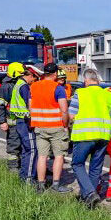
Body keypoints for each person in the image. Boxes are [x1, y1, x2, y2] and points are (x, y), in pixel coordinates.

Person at [69, 69, 111, 208]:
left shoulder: (80, 93)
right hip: (103, 136)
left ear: (86, 81)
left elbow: (72, 115)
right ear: (98, 80)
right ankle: (89, 201)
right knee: (96, 167)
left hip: (84, 135)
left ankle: (89, 193)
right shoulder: (108, 95)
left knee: (77, 164)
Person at [30, 63, 72, 193]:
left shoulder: (34, 86)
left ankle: (41, 185)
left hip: (39, 126)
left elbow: (30, 106)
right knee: (59, 156)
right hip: (56, 127)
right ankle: (56, 185)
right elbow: (64, 110)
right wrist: (65, 125)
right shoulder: (58, 88)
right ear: (55, 74)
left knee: (42, 156)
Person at [10, 64, 43, 184]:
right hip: (25, 121)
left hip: (20, 121)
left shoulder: (18, 84)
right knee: (32, 150)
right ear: (29, 75)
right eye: (34, 77)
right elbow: (30, 106)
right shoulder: (24, 87)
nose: (34, 80)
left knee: (26, 150)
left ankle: (23, 176)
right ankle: (28, 179)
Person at [0, 62, 25, 173]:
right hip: (12, 122)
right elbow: (0, 105)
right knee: (14, 145)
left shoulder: (19, 84)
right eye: (21, 74)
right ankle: (13, 168)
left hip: (22, 121)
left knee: (23, 145)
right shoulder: (7, 86)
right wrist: (2, 121)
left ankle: (22, 166)